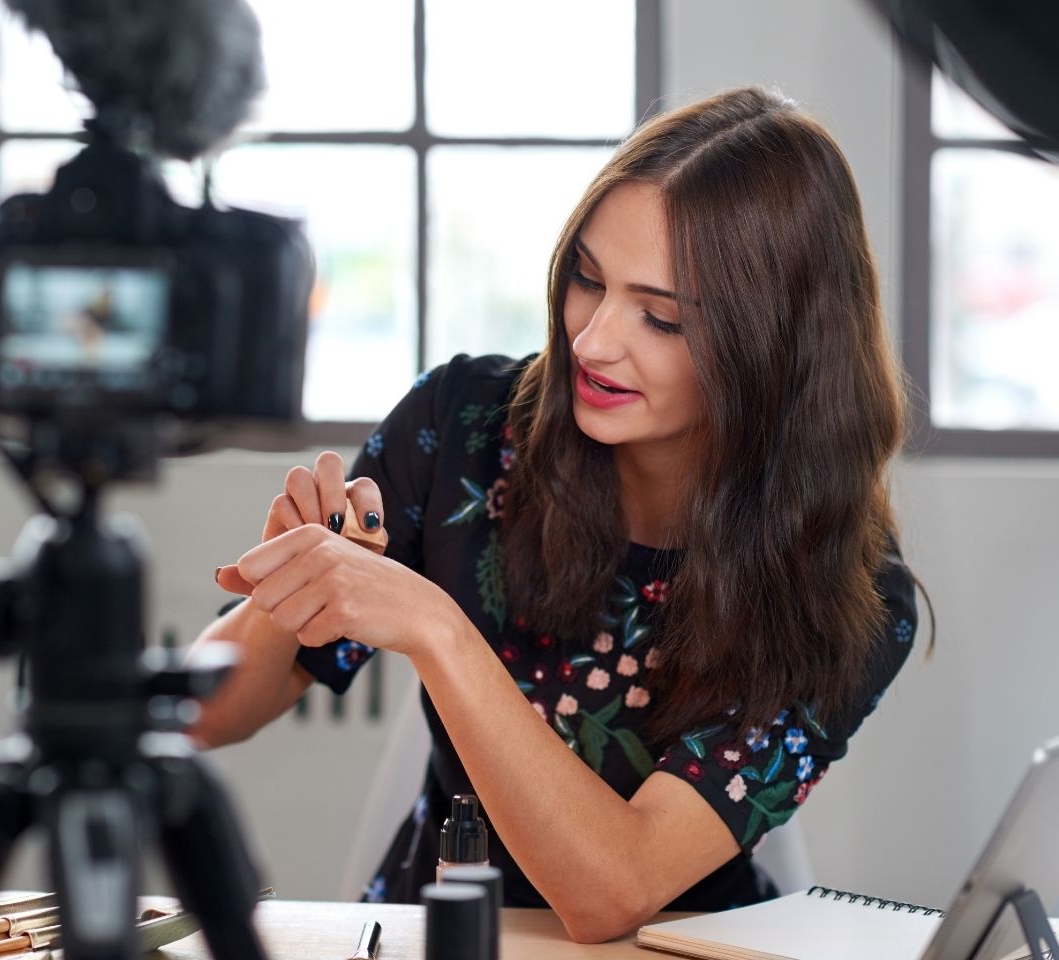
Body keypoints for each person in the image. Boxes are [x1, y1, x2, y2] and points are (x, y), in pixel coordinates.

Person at [192, 86, 923, 944]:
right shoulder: (460, 427)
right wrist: (295, 581)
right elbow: (201, 715)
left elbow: (611, 895)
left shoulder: (848, 588)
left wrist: (436, 627)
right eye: (587, 278)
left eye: (661, 319)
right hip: (439, 936)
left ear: (777, 350)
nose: (595, 339)